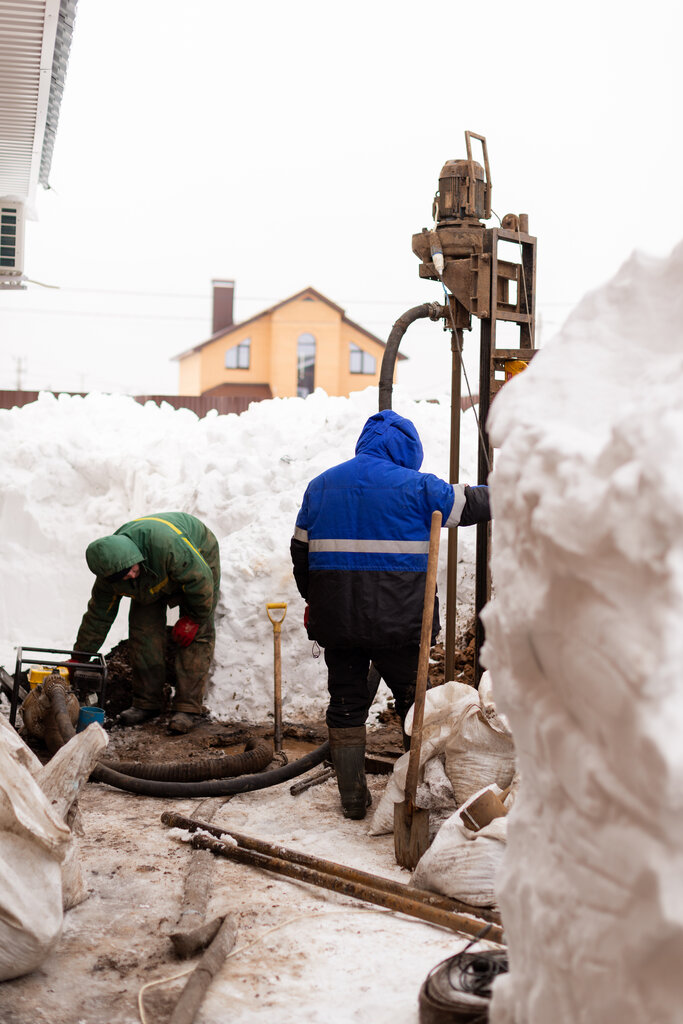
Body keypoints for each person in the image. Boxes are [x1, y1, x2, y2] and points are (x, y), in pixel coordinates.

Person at [290, 409, 491, 819]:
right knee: (413, 704)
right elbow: (470, 504)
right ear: (408, 449)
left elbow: (299, 554)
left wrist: (319, 599)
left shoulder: (321, 486)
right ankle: (415, 793)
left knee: (345, 703)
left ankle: (352, 800)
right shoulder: (418, 487)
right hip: (402, 625)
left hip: (339, 625)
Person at [72, 512, 220, 734]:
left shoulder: (169, 547)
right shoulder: (112, 568)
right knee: (143, 633)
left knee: (197, 634)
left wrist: (193, 619)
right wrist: (80, 655)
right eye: (124, 575)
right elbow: (99, 615)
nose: (131, 575)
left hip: (197, 556)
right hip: (152, 572)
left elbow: (201, 582)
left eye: (132, 568)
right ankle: (147, 703)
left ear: (134, 556)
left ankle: (188, 708)